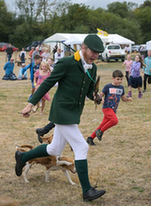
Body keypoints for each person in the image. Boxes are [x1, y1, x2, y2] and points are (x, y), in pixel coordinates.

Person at [17, 34, 106, 201]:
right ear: (84, 48)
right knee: (82, 147)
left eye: (98, 53)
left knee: (54, 150)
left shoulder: (92, 67)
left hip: (74, 113)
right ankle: (87, 191)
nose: (95, 56)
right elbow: (47, 83)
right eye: (93, 52)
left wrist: (95, 96)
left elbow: (87, 90)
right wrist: (31, 103)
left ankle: (22, 157)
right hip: (61, 112)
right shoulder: (66, 63)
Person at [87, 70, 132, 146]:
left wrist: (128, 99)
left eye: (121, 79)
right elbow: (100, 95)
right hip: (107, 108)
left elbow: (123, 98)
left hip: (113, 110)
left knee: (102, 125)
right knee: (114, 121)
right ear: (113, 78)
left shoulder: (121, 88)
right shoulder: (108, 86)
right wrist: (99, 98)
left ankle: (90, 138)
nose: (119, 81)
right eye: (118, 79)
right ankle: (100, 131)